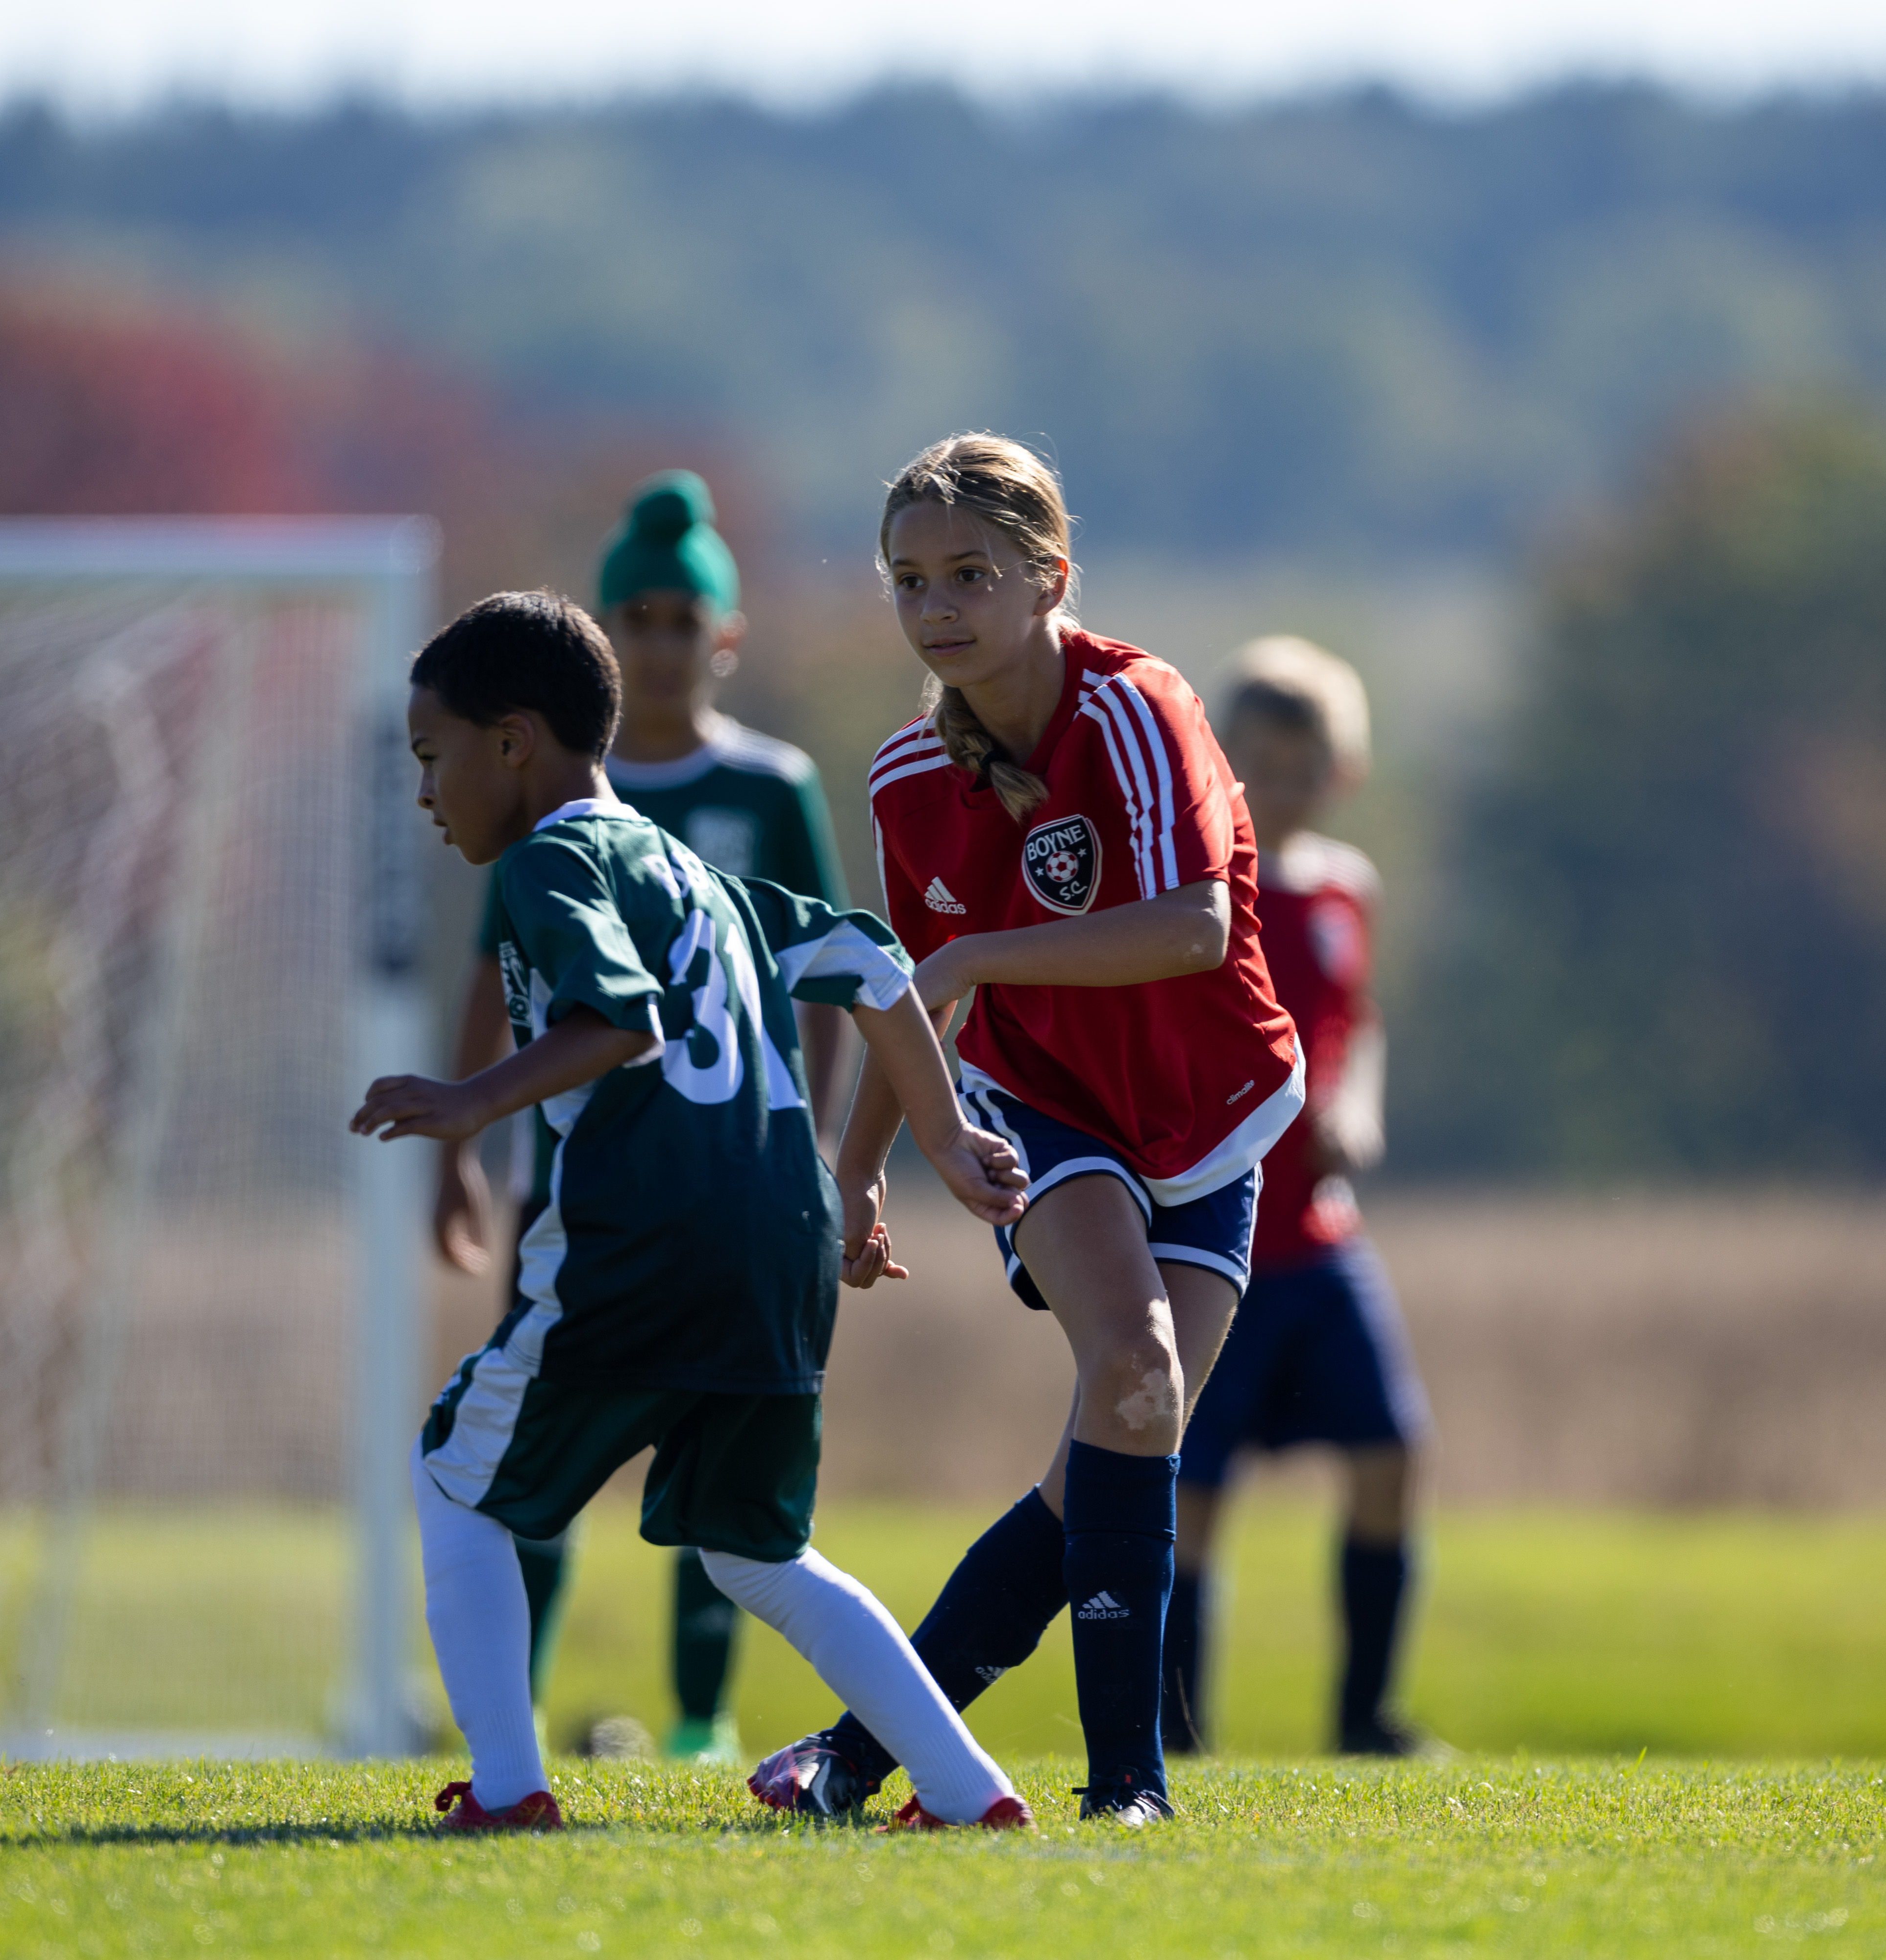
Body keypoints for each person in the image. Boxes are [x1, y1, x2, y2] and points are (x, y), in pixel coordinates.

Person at [356, 589, 1034, 1833]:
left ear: (512, 741)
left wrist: (471, 1100)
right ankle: (966, 1788)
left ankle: (507, 1791)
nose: (426, 791)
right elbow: (876, 965)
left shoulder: (551, 861)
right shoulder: (701, 880)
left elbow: (620, 1016)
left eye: (431, 755)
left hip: (644, 1239)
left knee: (454, 1477)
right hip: (782, 1246)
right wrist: (931, 1142)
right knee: (757, 1549)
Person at [748, 434, 1303, 1827]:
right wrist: (858, 1170)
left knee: (1118, 1439)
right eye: (909, 579)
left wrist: (978, 954)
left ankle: (854, 1757)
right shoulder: (904, 777)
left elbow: (1195, 929)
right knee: (1134, 1361)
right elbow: (910, 994)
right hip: (1042, 1100)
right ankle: (1130, 1790)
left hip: (1212, 1109)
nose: (935, 605)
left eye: (970, 574)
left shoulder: (1137, 707)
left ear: (1052, 576)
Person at [430, 471, 850, 1765]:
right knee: (531, 1452)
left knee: (714, 1458)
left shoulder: (771, 787)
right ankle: (511, 1713)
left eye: (686, 618)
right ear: (608, 634)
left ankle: (698, 1720)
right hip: (575, 1183)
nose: (664, 641)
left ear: (726, 634)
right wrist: (460, 1148)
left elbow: (835, 970)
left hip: (724, 1177)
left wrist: (820, 1147)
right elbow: (494, 974)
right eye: (641, 617)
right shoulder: (544, 792)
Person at [1163, 637, 1432, 1757]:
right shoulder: (1194, 888)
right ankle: (1177, 1732)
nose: (1278, 786)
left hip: (1322, 1239)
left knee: (1392, 1454)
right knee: (1191, 1496)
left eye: (1303, 765)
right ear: (1222, 762)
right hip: (1216, 1239)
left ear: (1343, 771)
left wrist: (1355, 1110)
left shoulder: (1346, 889)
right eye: (1258, 763)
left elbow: (1356, 1024)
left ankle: (1365, 1719)